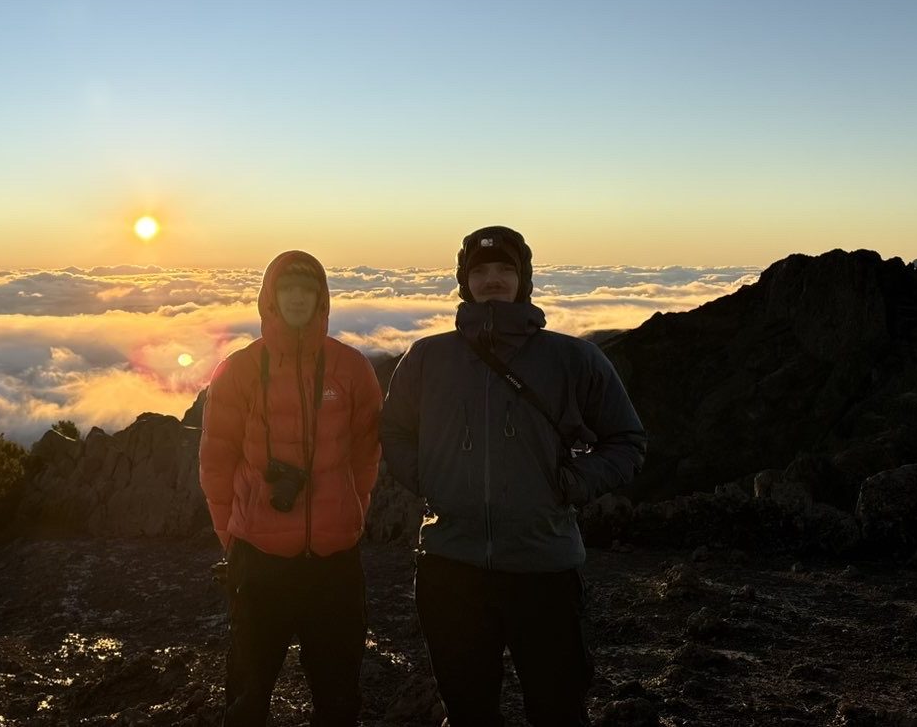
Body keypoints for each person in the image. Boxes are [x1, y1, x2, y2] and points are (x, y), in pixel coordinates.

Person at [380, 226, 646, 727]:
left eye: (505, 269)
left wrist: (572, 484)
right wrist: (428, 478)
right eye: (480, 271)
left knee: (557, 708)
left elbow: (627, 441)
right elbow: (393, 430)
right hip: (449, 564)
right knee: (467, 710)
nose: (493, 280)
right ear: (464, 282)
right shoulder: (427, 358)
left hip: (543, 564)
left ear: (524, 278)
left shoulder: (572, 358)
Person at [200, 250, 382, 726]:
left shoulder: (351, 368)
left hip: (335, 563)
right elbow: (216, 463)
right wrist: (234, 536)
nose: (298, 298)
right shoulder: (239, 370)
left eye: (308, 290)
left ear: (322, 300)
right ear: (270, 299)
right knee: (247, 696)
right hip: (258, 562)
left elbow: (366, 454)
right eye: (288, 289)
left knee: (339, 697)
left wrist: (349, 513)